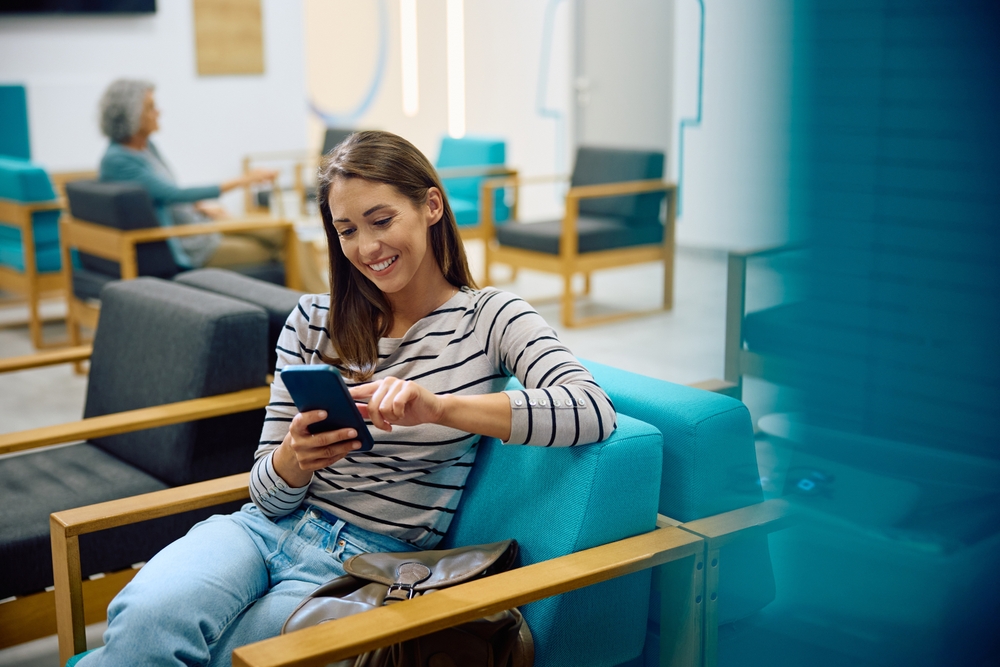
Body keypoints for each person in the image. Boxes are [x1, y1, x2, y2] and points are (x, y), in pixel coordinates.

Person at [78, 130, 617, 666]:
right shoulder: (313, 319)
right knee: (142, 624)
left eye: (382, 221)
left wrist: (439, 407)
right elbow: (265, 496)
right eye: (347, 230)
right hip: (260, 533)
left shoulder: (490, 317)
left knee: (232, 658)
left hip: (366, 568)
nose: (367, 248)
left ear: (431, 205)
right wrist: (292, 460)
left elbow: (590, 409)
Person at [97, 78, 281, 270]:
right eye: (150, 108)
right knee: (280, 247)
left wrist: (199, 205)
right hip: (191, 244)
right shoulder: (118, 160)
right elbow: (173, 194)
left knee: (281, 232)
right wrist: (246, 179)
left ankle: (309, 296)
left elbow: (160, 192)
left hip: (201, 225)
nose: (158, 112)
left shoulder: (147, 147)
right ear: (131, 116)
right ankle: (308, 296)